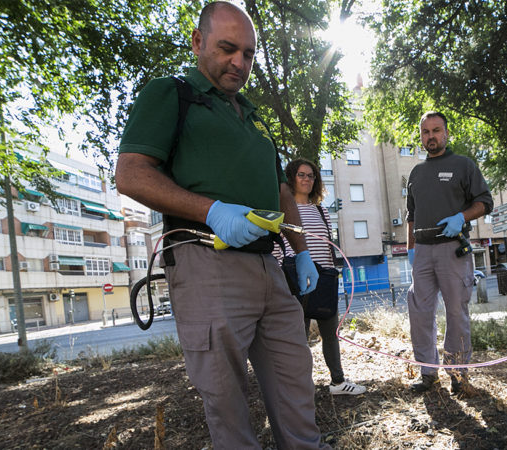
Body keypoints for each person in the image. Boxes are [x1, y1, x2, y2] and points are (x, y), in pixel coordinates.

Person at [115, 3, 328, 448]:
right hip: (205, 262)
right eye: (228, 48)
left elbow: (282, 192)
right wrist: (212, 210)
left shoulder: (253, 118)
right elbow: (131, 173)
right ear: (197, 42)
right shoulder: (172, 94)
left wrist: (302, 250)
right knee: (226, 401)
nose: (240, 62)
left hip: (269, 266)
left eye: (249, 54)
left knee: (295, 378)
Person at [405, 111, 493, 394]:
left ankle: (457, 373)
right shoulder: (416, 173)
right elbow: (411, 215)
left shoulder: (462, 165)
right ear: (421, 137)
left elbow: (485, 202)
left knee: (456, 312)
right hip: (422, 252)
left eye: (436, 130)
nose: (431, 136)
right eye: (426, 132)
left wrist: (461, 218)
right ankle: (428, 373)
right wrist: (410, 250)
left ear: (446, 133)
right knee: (419, 313)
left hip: (452, 249)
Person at [276, 159, 366, 396]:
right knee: (299, 338)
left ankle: (338, 382)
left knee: (330, 333)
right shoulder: (283, 210)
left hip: (323, 281)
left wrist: (332, 272)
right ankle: (300, 387)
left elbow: (327, 247)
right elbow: (277, 246)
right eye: (301, 175)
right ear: (291, 178)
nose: (306, 179)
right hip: (295, 281)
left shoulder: (321, 210)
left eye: (311, 176)